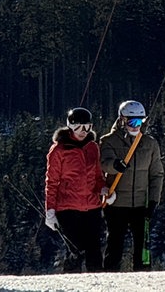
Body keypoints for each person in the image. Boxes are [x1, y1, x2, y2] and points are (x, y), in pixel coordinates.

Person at [99, 99, 164, 271]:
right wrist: (115, 165)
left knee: (143, 249)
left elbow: (156, 174)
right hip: (117, 204)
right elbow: (103, 163)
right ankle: (109, 281)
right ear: (122, 120)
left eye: (140, 122)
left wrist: (153, 201)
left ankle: (143, 281)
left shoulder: (150, 144)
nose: (136, 126)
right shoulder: (109, 141)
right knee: (115, 246)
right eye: (131, 122)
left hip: (140, 205)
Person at [45, 106, 111, 273]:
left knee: (95, 250)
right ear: (70, 127)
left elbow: (97, 176)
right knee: (76, 249)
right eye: (78, 127)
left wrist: (103, 189)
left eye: (87, 127)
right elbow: (51, 182)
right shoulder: (59, 150)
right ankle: (72, 283)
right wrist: (50, 210)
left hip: (92, 206)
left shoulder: (92, 147)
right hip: (68, 208)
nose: (83, 131)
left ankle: (97, 285)